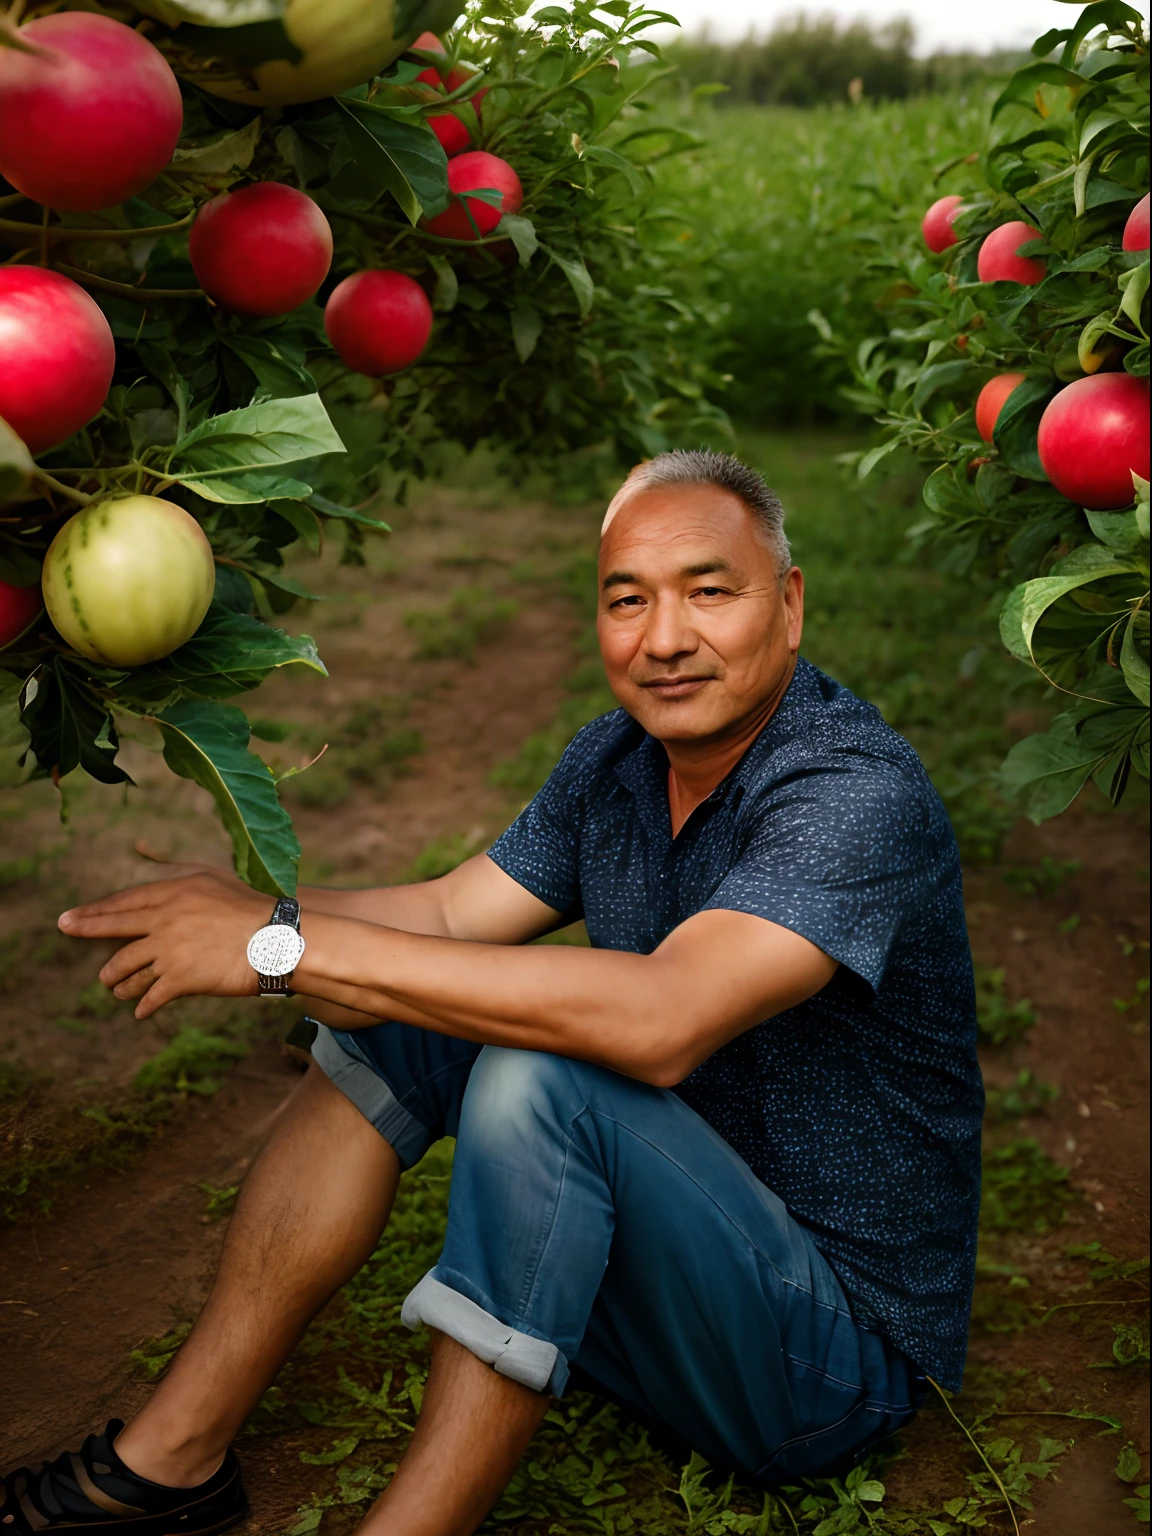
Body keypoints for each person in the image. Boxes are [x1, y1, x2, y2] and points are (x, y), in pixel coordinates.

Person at [2, 450, 983, 1536]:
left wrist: (282, 947)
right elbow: (451, 916)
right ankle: (170, 1462)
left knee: (536, 1064)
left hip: (823, 1366)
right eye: (627, 600)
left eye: (710, 591)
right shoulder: (616, 760)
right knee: (412, 1015)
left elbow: (660, 1021)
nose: (664, 639)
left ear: (788, 605)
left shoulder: (854, 794)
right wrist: (249, 908)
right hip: (649, 1276)